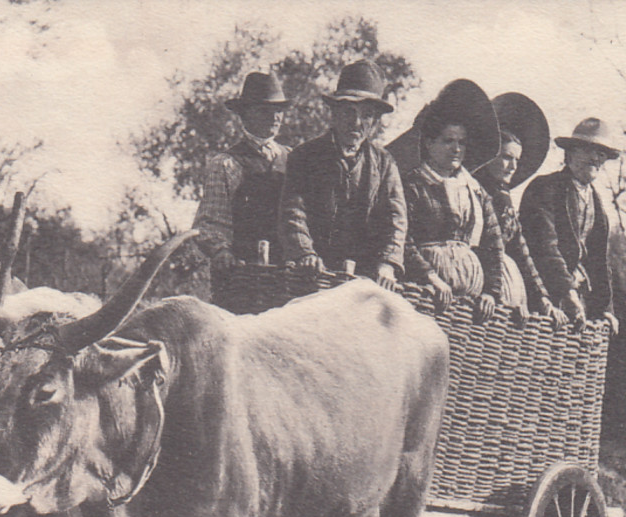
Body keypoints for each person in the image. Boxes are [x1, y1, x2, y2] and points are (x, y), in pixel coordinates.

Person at [279, 59, 407, 288]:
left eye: (366, 115)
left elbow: (396, 220)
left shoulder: (385, 164)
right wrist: (304, 253)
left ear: (375, 122)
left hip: (364, 279)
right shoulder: (305, 156)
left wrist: (387, 264)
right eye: (349, 111)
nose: (356, 122)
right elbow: (293, 211)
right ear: (334, 113)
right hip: (313, 274)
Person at [398, 79, 507, 321]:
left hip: (470, 302)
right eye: (448, 141)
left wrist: (491, 292)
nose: (456, 149)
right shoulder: (413, 185)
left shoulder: (475, 191)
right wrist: (430, 277)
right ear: (429, 143)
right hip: (424, 293)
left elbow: (493, 244)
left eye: (461, 142)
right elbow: (402, 239)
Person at [520, 117, 622, 333]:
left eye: (601, 154)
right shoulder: (545, 189)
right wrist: (566, 292)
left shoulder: (598, 206)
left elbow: (599, 262)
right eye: (588, 150)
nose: (595, 158)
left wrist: (606, 309)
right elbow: (545, 246)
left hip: (577, 302)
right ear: (571, 152)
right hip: (541, 294)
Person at [193, 71, 290, 289]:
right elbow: (210, 221)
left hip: (287, 274)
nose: (274, 117)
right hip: (244, 275)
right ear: (245, 115)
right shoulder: (225, 164)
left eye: (278, 111)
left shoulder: (293, 159)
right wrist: (221, 251)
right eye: (265, 110)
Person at [473, 93, 565, 322]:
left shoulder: (504, 199)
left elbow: (520, 249)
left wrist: (543, 298)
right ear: (490, 156)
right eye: (506, 157)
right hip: (475, 284)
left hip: (501, 289)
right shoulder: (472, 190)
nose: (512, 166)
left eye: (517, 159)